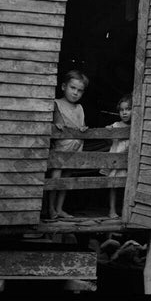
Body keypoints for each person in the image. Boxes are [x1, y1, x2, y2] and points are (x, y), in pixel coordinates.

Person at [46, 70, 89, 221]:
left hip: (75, 149)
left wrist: (83, 129)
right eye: (73, 88)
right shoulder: (56, 104)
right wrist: (56, 124)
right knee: (56, 178)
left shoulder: (80, 108)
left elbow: (81, 125)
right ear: (64, 86)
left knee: (66, 180)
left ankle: (60, 208)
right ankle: (51, 209)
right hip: (61, 148)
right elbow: (56, 122)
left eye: (80, 90)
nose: (76, 93)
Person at [103, 93, 132, 219]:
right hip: (115, 161)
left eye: (128, 109)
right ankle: (112, 210)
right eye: (121, 110)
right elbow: (108, 139)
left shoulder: (135, 127)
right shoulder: (116, 125)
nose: (124, 113)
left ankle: (126, 209)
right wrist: (109, 130)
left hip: (128, 162)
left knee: (127, 186)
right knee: (113, 186)